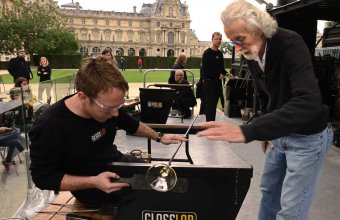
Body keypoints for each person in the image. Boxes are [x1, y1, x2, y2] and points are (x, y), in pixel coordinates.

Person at [197, 1, 333, 219]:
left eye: (240, 40)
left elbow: (308, 102)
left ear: (259, 28)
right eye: (233, 43)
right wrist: (267, 128)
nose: (238, 48)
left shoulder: (290, 44)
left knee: (290, 210)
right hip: (278, 135)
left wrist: (249, 131)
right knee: (268, 195)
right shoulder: (252, 53)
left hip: (308, 138)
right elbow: (264, 94)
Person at [29, 57, 187, 205]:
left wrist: (160, 137)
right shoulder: (49, 126)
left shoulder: (108, 106)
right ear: (83, 97)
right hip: (91, 186)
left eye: (119, 106)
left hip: (117, 163)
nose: (115, 114)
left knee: (173, 187)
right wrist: (93, 181)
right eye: (109, 108)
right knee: (149, 202)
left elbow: (128, 122)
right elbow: (43, 178)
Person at [201, 32, 228, 121]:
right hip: (209, 83)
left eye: (220, 39)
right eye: (216, 39)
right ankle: (209, 125)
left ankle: (212, 123)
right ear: (212, 39)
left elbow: (221, 69)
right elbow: (205, 71)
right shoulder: (207, 53)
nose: (218, 41)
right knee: (210, 104)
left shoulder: (220, 54)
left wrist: (227, 74)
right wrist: (217, 75)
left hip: (217, 83)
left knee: (215, 104)